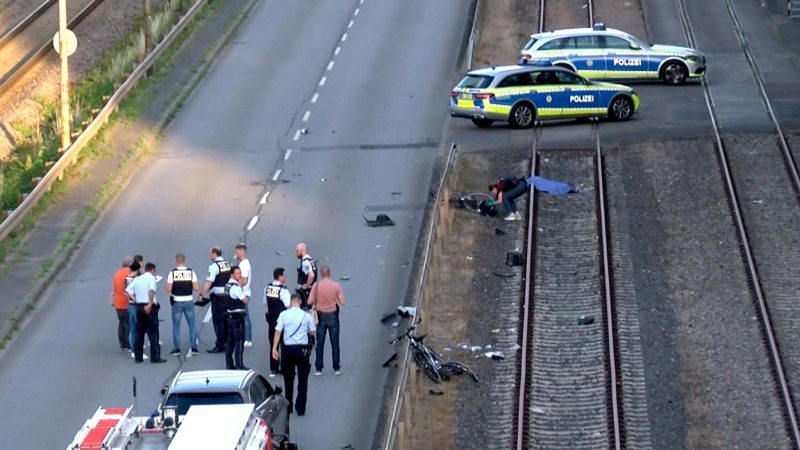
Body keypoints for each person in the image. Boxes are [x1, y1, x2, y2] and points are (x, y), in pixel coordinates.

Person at [272, 294, 316, 416]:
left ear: (291, 303)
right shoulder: (306, 316)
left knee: (288, 378)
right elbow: (313, 332)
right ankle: (300, 407)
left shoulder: (283, 315)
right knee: (303, 379)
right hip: (302, 350)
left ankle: (289, 404)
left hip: (287, 349)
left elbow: (278, 332)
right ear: (300, 302)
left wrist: (274, 348)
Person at [308, 266, 345, 376]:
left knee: (320, 342)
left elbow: (309, 301)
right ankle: (336, 367)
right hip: (333, 316)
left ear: (321, 274)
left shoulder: (316, 285)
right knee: (335, 342)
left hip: (320, 317)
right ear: (329, 273)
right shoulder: (336, 286)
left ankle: (319, 368)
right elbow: (342, 301)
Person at [126, 262, 166, 363]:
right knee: (153, 333)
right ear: (152, 270)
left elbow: (128, 291)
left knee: (140, 333)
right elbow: (151, 291)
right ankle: (155, 357)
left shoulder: (137, 279)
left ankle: (138, 357)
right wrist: (150, 303)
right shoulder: (151, 278)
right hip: (150, 307)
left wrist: (135, 299)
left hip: (139, 307)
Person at [165, 253, 199, 357]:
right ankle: (194, 348)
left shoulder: (173, 273)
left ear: (176, 261)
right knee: (192, 325)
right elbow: (196, 287)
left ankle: (177, 349)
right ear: (184, 260)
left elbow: (168, 289)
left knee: (176, 326)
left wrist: (166, 286)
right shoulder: (191, 272)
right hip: (189, 300)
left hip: (177, 302)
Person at [199, 247, 231, 353]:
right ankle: (227, 342)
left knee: (218, 321)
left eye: (210, 254)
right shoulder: (227, 264)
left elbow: (209, 281)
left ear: (214, 254)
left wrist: (201, 293)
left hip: (218, 298)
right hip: (228, 295)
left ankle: (220, 344)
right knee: (227, 320)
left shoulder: (214, 266)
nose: (209, 256)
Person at [264, 267, 291, 377]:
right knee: (284, 343)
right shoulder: (283, 290)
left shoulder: (267, 288)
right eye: (284, 275)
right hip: (282, 318)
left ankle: (274, 367)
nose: (285, 277)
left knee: (273, 343)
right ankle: (285, 368)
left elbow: (265, 302)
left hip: (271, 318)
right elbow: (288, 305)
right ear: (279, 276)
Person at [224, 266, 249, 370]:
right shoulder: (235, 287)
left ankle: (229, 364)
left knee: (230, 342)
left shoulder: (227, 285)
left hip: (229, 316)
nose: (240, 275)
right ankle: (239, 365)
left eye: (240, 273)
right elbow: (245, 300)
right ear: (232, 274)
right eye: (237, 273)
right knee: (239, 341)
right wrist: (244, 291)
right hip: (237, 318)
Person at [111, 256, 133, 353]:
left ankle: (123, 344)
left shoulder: (117, 274)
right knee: (129, 324)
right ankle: (129, 344)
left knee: (121, 323)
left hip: (118, 303)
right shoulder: (129, 274)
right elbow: (130, 289)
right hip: (126, 303)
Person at [234, 244, 253, 348]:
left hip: (243, 293)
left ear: (241, 252)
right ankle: (245, 337)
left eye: (236, 252)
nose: (235, 254)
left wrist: (237, 289)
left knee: (245, 316)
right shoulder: (243, 263)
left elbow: (244, 280)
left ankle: (248, 339)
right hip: (244, 292)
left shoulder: (244, 265)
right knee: (243, 315)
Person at [126, 260, 145, 360]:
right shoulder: (136, 279)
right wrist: (136, 299)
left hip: (129, 305)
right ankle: (138, 349)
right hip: (136, 305)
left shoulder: (127, 278)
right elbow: (131, 291)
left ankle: (133, 349)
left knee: (132, 329)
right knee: (139, 329)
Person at [295, 243, 317, 309]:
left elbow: (311, 275)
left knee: (305, 309)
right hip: (312, 290)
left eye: (297, 251)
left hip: (306, 293)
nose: (296, 253)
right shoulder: (311, 260)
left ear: (302, 250)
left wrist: (305, 286)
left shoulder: (305, 262)